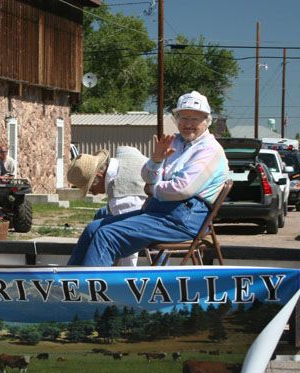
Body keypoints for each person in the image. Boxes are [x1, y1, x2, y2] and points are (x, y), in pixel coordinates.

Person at [68, 91, 228, 266]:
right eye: (183, 118)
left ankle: (88, 289)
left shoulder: (209, 150)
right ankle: (67, 285)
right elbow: (146, 175)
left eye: (194, 119)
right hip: (160, 211)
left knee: (107, 235)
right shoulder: (175, 142)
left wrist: (153, 188)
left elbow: (182, 188)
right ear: (177, 120)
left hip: (184, 219)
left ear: (206, 121)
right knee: (93, 228)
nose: (188, 124)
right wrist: (156, 160)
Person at [67, 146, 148, 266]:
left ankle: (77, 271)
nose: (93, 193)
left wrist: (125, 274)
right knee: (102, 213)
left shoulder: (120, 198)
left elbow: (128, 239)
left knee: (94, 229)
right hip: (148, 206)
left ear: (99, 177)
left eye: (90, 188)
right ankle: (76, 267)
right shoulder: (126, 153)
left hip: (153, 217)